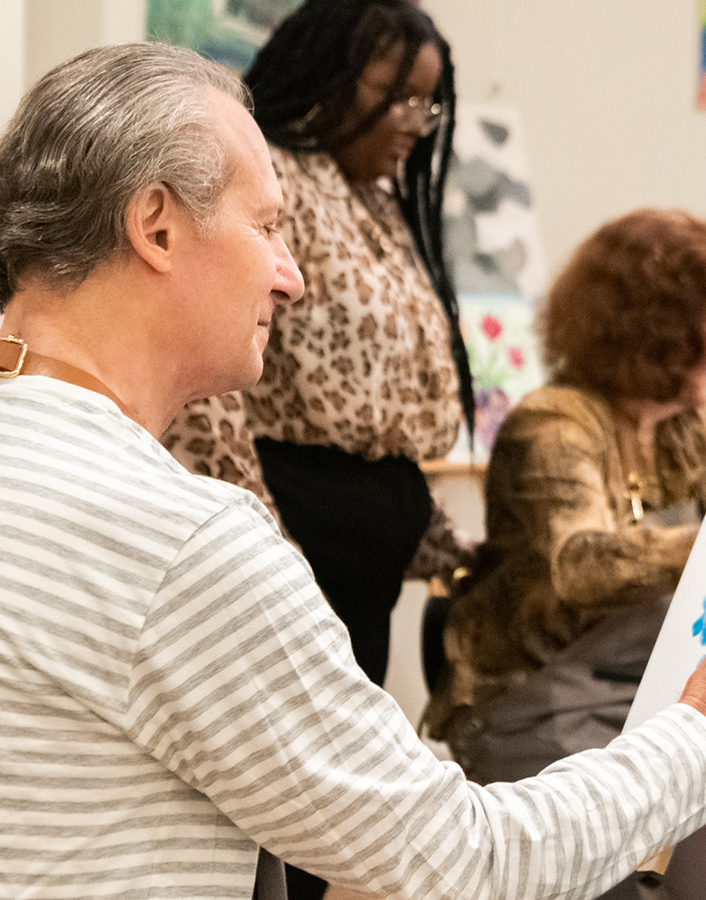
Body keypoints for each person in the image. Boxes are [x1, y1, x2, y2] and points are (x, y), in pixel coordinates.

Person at [0, 41, 706, 900]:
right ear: (157, 226)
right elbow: (459, 862)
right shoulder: (181, 544)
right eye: (267, 226)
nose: (291, 277)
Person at [162, 0, 474, 695]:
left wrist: (431, 534)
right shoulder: (271, 184)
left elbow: (379, 416)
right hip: (292, 543)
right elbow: (206, 388)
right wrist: (270, 553)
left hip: (364, 570)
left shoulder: (377, 204)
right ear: (328, 72)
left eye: (426, 104)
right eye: (395, 95)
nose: (413, 122)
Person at [423, 210, 706, 791]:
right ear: (667, 333)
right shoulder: (553, 425)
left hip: (635, 695)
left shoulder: (685, 430)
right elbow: (579, 567)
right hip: (531, 703)